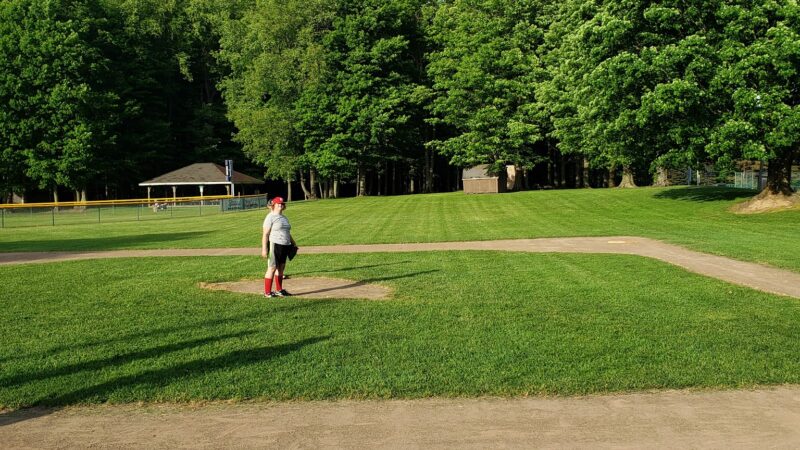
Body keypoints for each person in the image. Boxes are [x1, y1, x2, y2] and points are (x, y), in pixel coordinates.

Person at [261, 196, 297, 298]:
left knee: (281, 268)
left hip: (285, 244)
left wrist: (293, 242)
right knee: (272, 268)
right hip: (275, 244)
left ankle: (279, 290)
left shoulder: (284, 218)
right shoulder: (270, 217)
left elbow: (287, 232)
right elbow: (265, 234)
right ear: (273, 205)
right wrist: (264, 249)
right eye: (278, 204)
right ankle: (267, 292)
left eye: (282, 203)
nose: (280, 205)